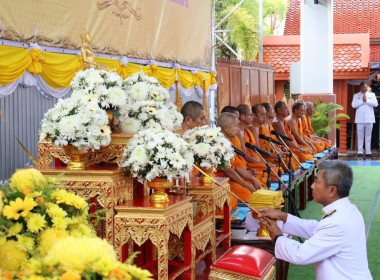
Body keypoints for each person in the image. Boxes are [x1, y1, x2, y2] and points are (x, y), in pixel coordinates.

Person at [258, 160, 372, 280]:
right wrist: (283, 216)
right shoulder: (348, 210)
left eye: (317, 181)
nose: (312, 186)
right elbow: (317, 228)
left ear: (332, 190)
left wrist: (277, 236)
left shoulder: (337, 222)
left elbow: (300, 255)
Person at [215, 112, 262, 202]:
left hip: (234, 177)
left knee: (256, 183)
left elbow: (237, 166)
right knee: (247, 194)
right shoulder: (218, 144)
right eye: (235, 126)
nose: (238, 129)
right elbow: (228, 171)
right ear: (226, 128)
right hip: (222, 180)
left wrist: (252, 179)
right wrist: (245, 184)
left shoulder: (231, 141)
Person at [351, 82, 378, 158]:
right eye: (362, 87)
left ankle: (368, 151)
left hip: (369, 119)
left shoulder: (372, 95)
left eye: (365, 87)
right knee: (360, 136)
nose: (364, 89)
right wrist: (362, 101)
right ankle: (360, 151)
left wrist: (367, 101)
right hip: (360, 119)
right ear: (360, 88)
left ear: (367, 87)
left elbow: (376, 104)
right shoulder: (356, 95)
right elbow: (353, 105)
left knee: (368, 136)